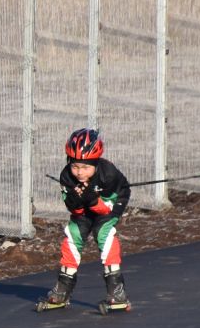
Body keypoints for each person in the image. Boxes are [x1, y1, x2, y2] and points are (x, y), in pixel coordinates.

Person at [36, 128, 132, 313]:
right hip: (85, 209)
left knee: (104, 234)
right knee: (72, 234)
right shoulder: (67, 176)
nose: (79, 172)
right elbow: (75, 211)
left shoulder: (108, 174)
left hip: (110, 202)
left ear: (95, 163)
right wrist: (75, 199)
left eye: (86, 167)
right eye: (75, 166)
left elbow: (105, 208)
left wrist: (92, 199)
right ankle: (62, 290)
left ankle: (117, 292)